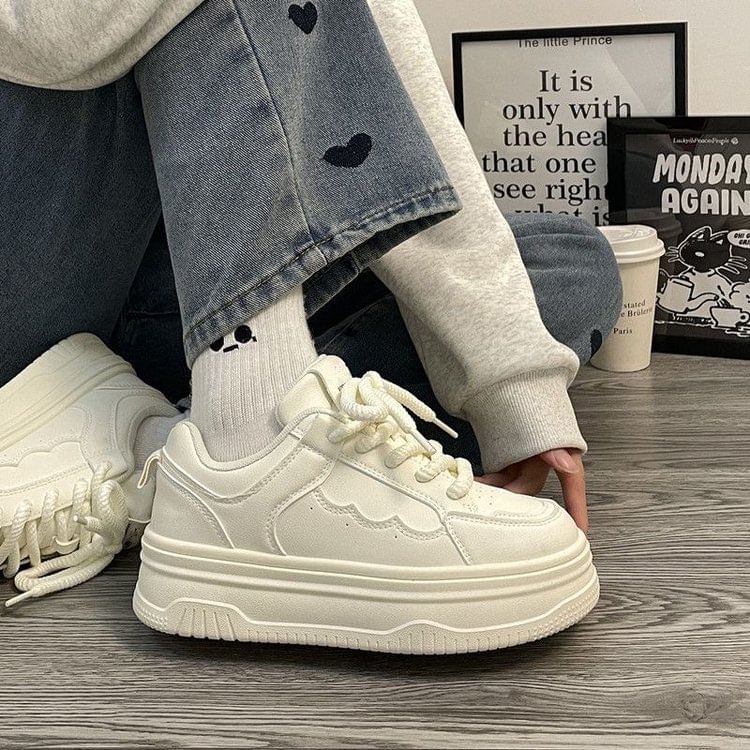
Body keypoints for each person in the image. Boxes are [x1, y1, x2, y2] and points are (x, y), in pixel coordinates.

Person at [0, 0, 620, 652]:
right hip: (40, 245)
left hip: (205, 273)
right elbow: (41, 36)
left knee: (570, 266)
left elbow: (385, 104)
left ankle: (189, 440)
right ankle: (249, 438)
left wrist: (512, 383)